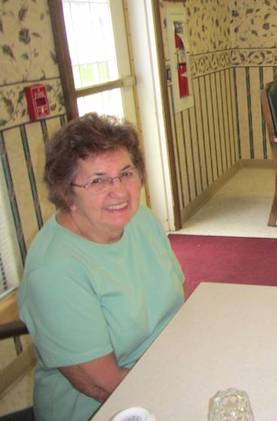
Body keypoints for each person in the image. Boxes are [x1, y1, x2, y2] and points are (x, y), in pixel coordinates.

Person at [18, 113, 189, 421]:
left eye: (126, 173)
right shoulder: (55, 270)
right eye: (97, 180)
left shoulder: (141, 220)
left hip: (165, 368)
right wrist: (185, 395)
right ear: (67, 193)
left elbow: (177, 303)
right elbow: (102, 384)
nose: (119, 191)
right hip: (105, 407)